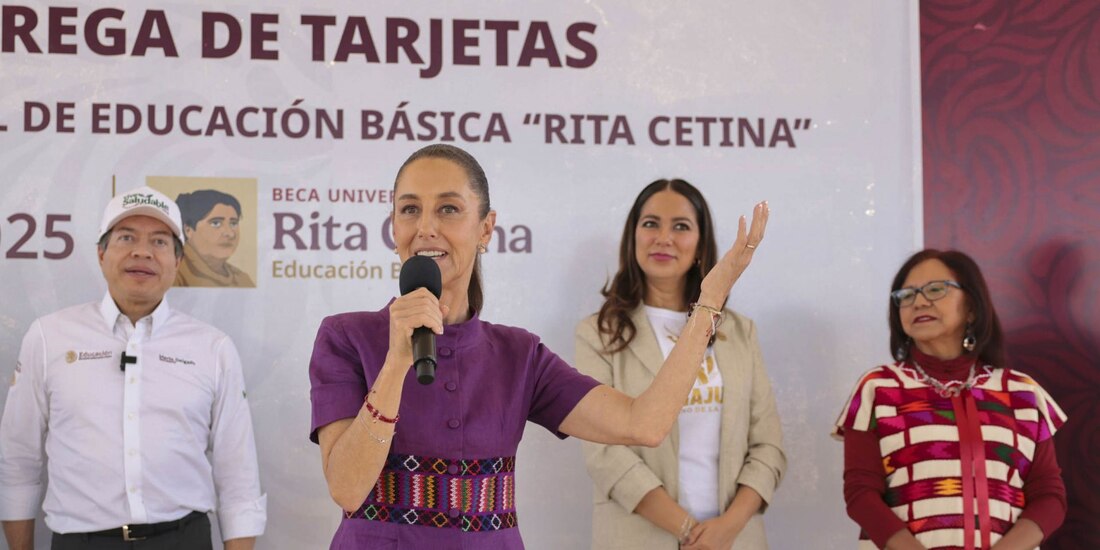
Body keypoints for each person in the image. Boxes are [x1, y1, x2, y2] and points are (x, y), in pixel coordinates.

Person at [307, 144, 769, 549]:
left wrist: (708, 302)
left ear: (486, 229)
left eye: (448, 209)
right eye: (409, 210)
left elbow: (644, 424)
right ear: (393, 227)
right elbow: (347, 489)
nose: (426, 227)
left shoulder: (517, 355)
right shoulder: (346, 337)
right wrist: (396, 363)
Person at [0, 187, 266, 550]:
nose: (142, 251)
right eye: (127, 237)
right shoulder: (49, 337)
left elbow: (238, 476)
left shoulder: (212, 348)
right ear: (101, 253)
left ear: (177, 260)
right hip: (82, 542)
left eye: (159, 241)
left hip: (183, 539)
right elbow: (17, 461)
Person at [575, 178, 785, 550]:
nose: (664, 237)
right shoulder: (598, 333)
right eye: (651, 223)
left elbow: (768, 446)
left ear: (701, 243)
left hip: (735, 539)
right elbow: (604, 453)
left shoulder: (739, 331)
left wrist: (726, 530)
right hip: (639, 537)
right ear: (633, 236)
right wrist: (689, 531)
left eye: (681, 226)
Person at [833, 249, 1066, 550]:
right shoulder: (878, 388)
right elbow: (860, 494)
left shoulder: (1023, 393)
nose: (918, 301)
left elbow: (1049, 497)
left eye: (935, 289)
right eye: (906, 295)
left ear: (971, 307)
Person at [174, 189, 255, 288]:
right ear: (188, 230)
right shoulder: (172, 273)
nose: (230, 233)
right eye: (216, 223)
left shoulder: (242, 280)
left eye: (233, 223)